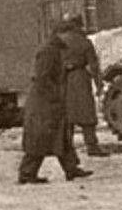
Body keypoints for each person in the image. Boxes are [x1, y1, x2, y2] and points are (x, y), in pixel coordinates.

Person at [18, 20, 93, 184]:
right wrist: (54, 94)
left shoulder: (55, 49)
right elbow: (42, 77)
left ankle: (71, 169)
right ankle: (27, 173)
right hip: (44, 103)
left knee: (61, 136)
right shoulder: (48, 51)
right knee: (40, 137)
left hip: (50, 101)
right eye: (68, 34)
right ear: (60, 34)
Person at [59, 15, 109, 157]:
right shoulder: (84, 42)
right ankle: (92, 145)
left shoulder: (59, 41)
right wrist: (99, 85)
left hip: (63, 79)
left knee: (66, 115)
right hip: (80, 78)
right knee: (86, 113)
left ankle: (65, 147)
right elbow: (93, 65)